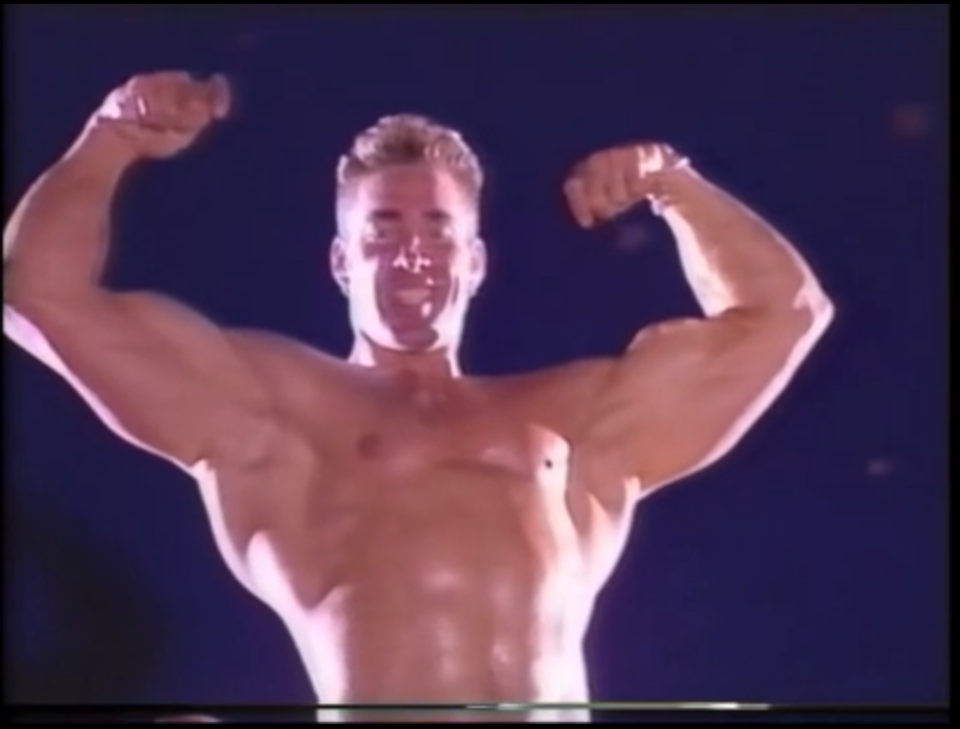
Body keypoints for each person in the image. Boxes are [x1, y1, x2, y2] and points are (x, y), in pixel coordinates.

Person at [4, 72, 834, 723]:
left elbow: (783, 315)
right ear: (342, 263)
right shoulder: (273, 409)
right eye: (384, 230)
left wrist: (673, 182)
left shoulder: (574, 420)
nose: (412, 254)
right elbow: (37, 295)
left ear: (476, 262)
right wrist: (111, 136)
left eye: (438, 229)